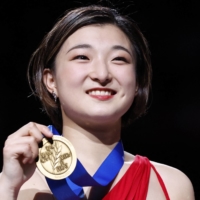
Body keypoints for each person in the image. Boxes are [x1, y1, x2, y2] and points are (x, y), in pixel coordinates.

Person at [0, 5, 195, 200]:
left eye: (119, 59)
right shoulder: (16, 184)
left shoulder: (170, 186)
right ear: (51, 81)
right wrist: (7, 189)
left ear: (137, 82)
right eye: (82, 57)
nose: (102, 74)